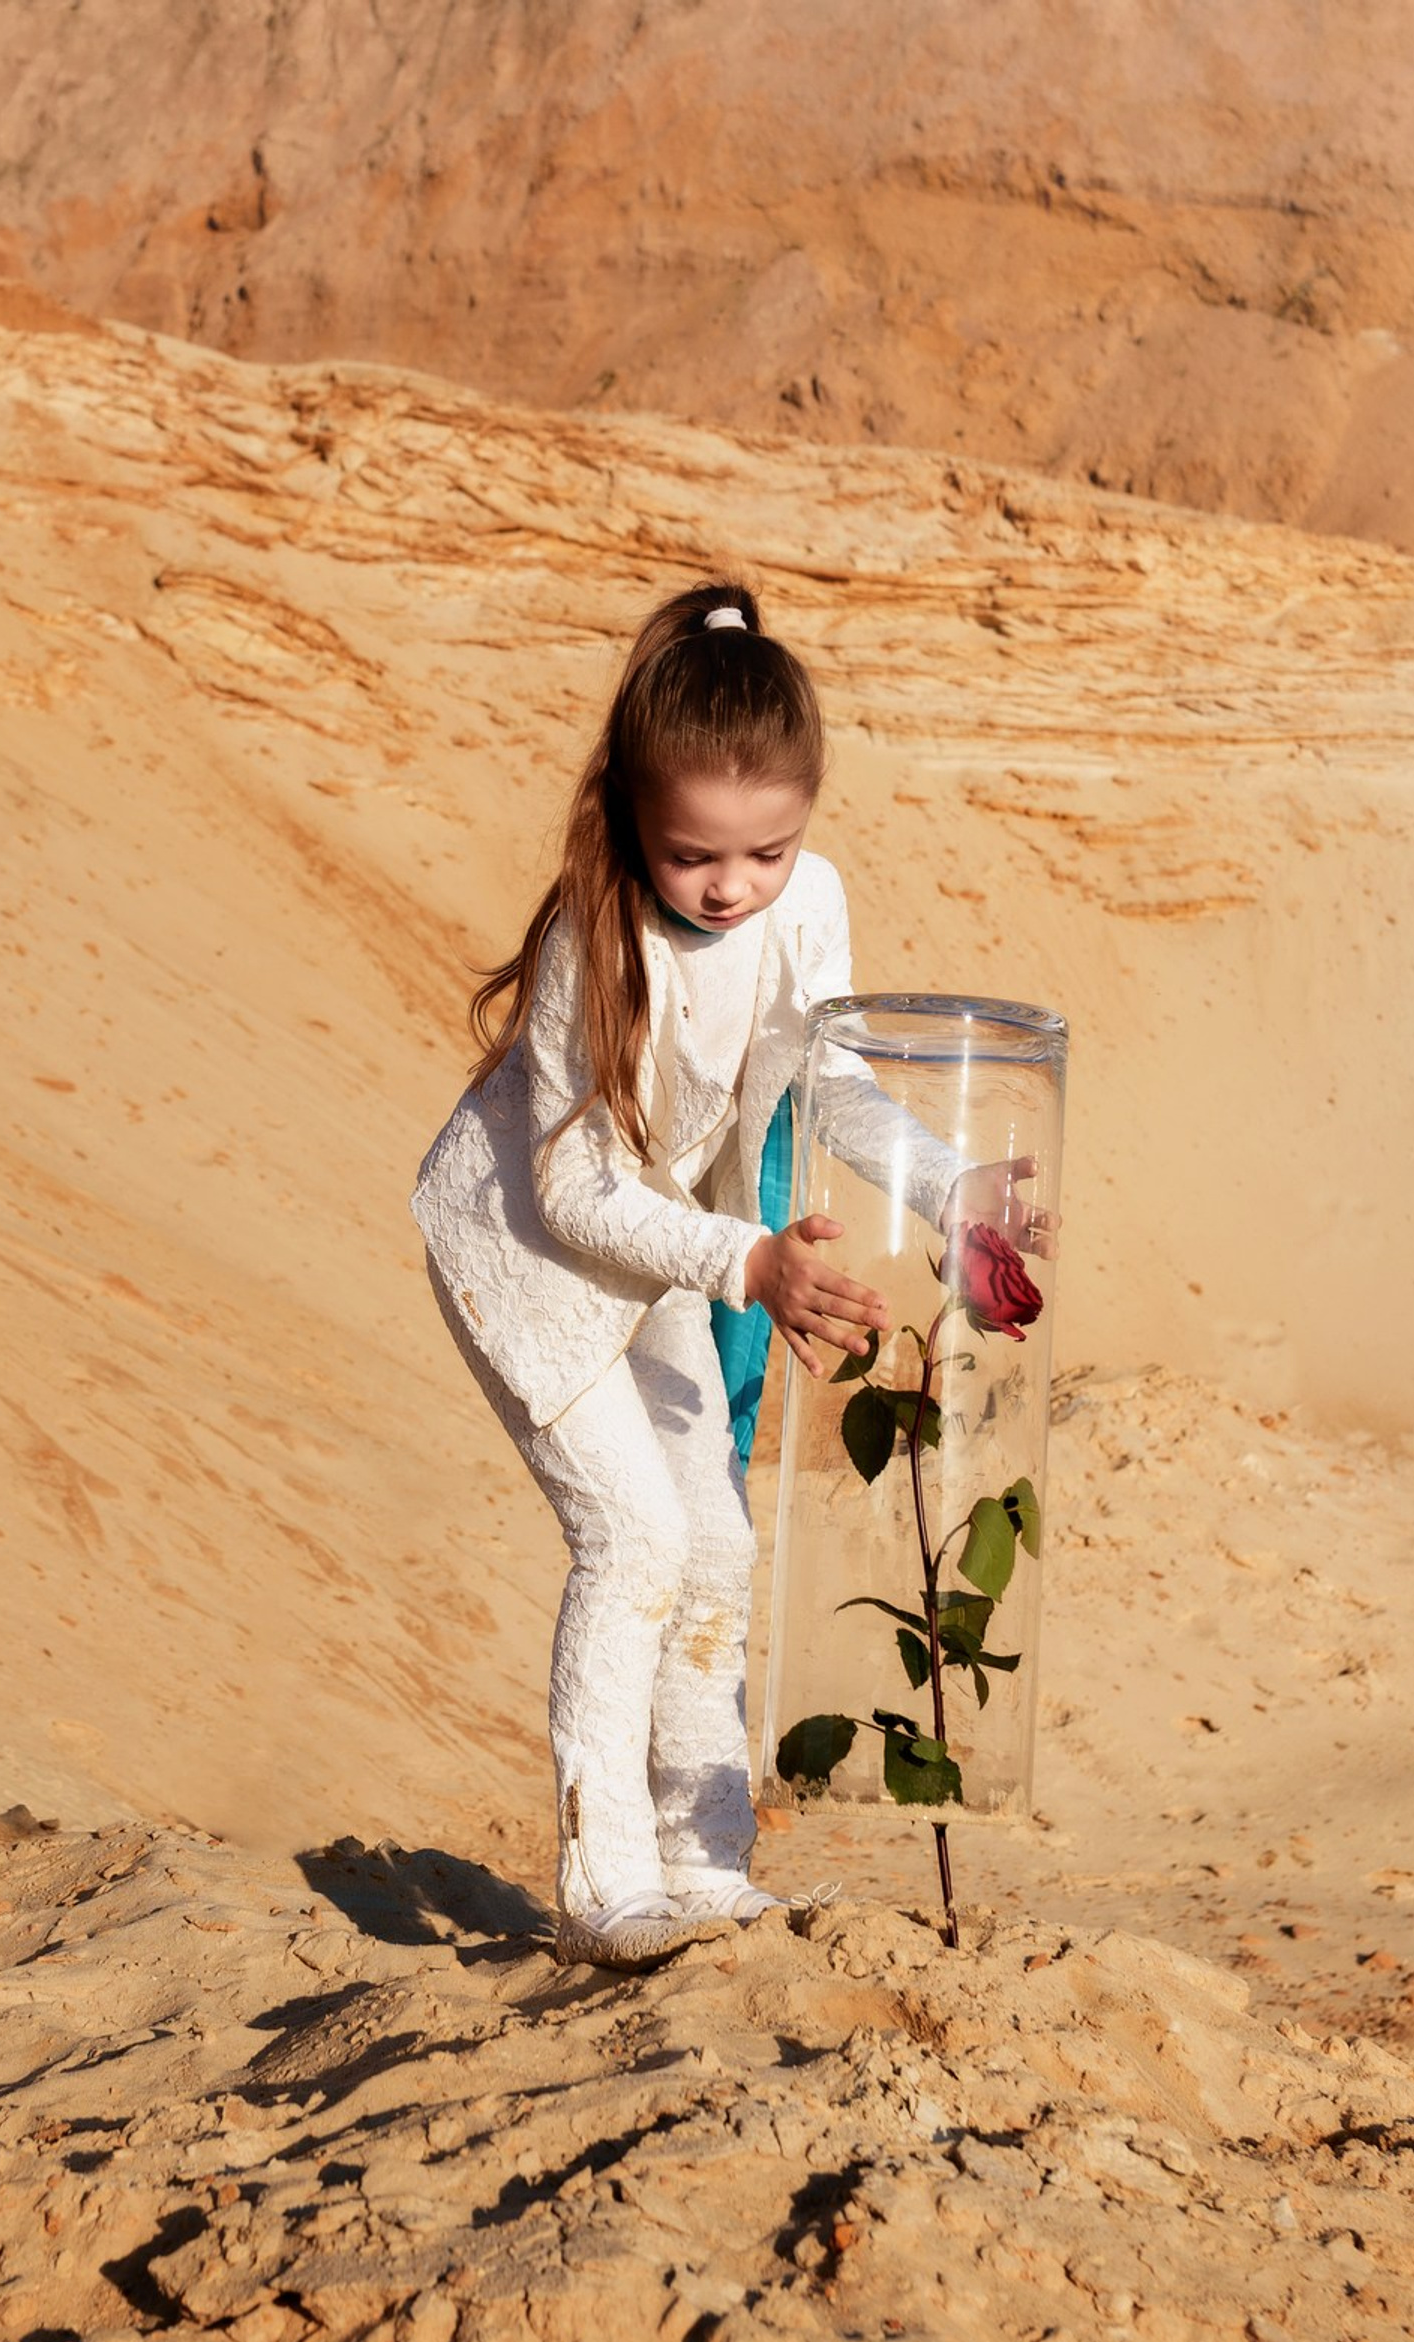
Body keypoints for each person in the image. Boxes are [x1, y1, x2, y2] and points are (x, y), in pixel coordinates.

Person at [410, 581, 1032, 1968]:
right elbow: (570, 1190)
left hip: (667, 1256)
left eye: (769, 848)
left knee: (719, 1548)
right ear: (634, 815)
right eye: (696, 854)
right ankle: (604, 1881)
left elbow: (836, 1080)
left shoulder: (804, 904)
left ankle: (705, 1868)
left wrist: (951, 1185)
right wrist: (744, 1261)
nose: (732, 887)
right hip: (524, 1252)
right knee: (631, 1540)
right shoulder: (598, 929)